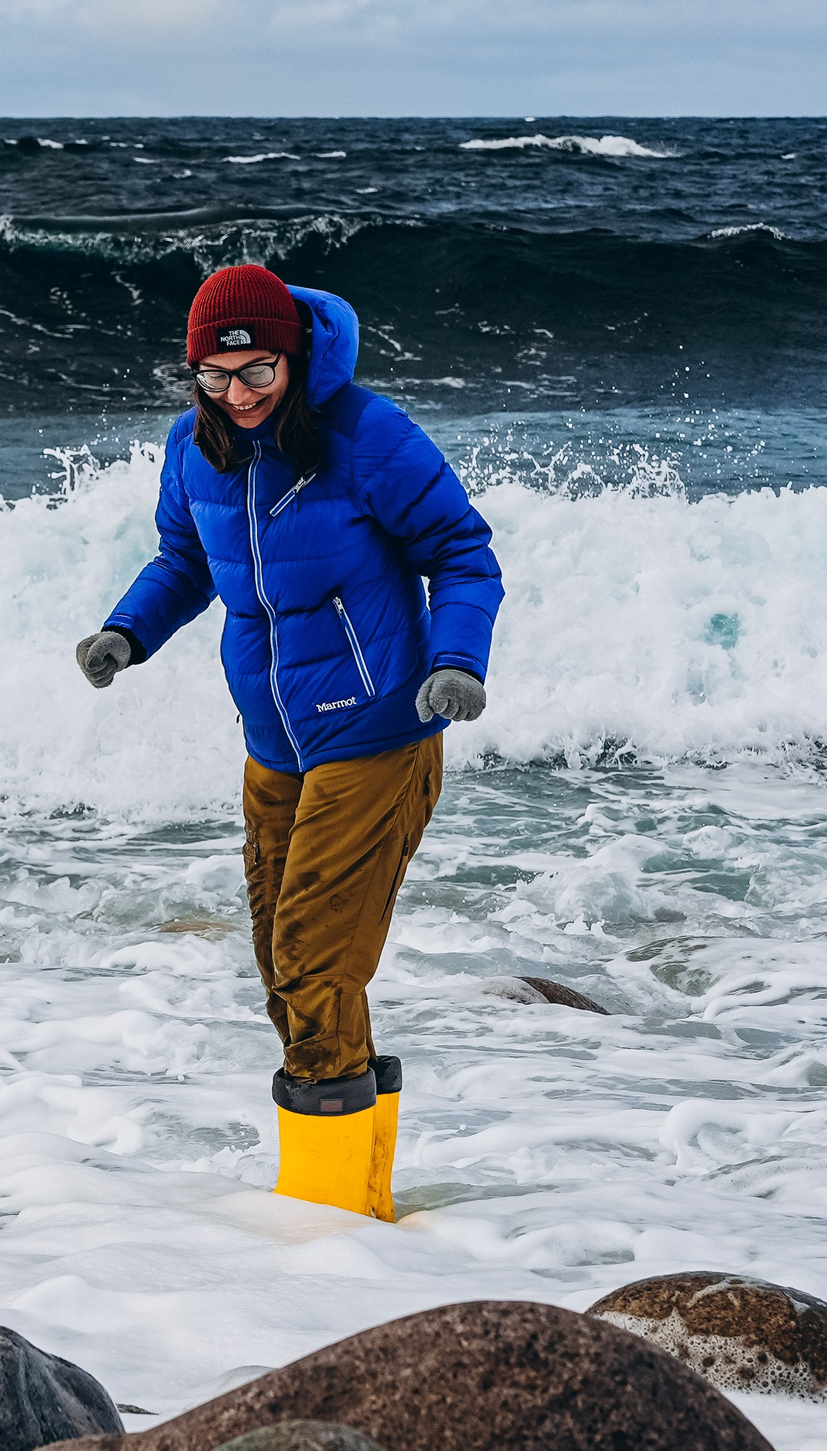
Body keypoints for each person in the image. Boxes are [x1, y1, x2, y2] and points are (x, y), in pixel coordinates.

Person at [73, 263, 501, 1221]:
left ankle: (325, 1215)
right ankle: (363, 1199)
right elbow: (187, 560)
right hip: (274, 743)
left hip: (379, 731)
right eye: (215, 377)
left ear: (294, 356)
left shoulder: (366, 434)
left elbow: (462, 552)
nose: (238, 395)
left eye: (258, 372)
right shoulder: (193, 446)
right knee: (285, 964)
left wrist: (457, 660)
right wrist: (127, 631)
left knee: (312, 958)